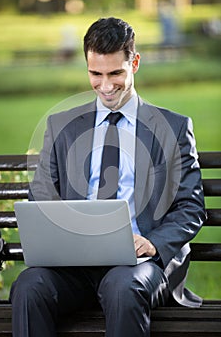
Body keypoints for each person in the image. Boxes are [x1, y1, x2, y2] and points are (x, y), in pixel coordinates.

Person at [10, 17, 206, 337]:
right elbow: (42, 198)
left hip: (138, 265)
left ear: (135, 63)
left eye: (115, 73)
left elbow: (191, 206)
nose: (105, 86)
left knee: (122, 288)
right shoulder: (62, 126)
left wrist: (153, 244)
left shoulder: (172, 127)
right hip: (74, 267)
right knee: (29, 287)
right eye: (95, 74)